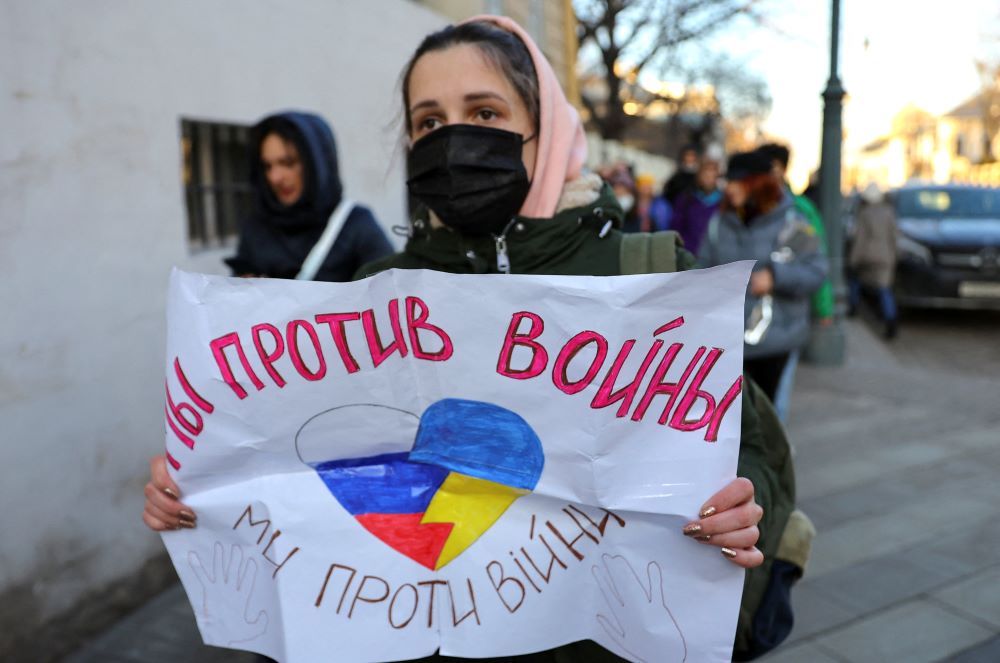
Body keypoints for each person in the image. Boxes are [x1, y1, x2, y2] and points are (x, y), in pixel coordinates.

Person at [144, 16, 801, 661]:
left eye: (484, 113)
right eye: (429, 121)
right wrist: (202, 486)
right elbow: (296, 470)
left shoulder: (650, 278)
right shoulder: (379, 292)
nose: (454, 139)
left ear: (547, 130)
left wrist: (742, 508)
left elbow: (752, 451)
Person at [698, 151, 828, 402]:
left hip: (777, 340)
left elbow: (817, 271)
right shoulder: (719, 223)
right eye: (727, 181)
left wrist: (776, 277)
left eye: (736, 181)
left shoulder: (794, 221)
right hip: (728, 340)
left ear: (756, 184)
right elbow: (701, 267)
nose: (728, 188)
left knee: (770, 420)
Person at [224, 111, 394, 282]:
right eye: (267, 166)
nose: (275, 177)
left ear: (318, 164)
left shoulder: (356, 225)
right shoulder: (255, 228)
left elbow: (389, 294)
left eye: (288, 163)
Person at [757, 143, 835, 422]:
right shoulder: (743, 210)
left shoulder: (800, 211)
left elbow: (815, 262)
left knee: (776, 402)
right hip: (748, 324)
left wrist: (823, 308)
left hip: (786, 318)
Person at [848, 183, 898, 339]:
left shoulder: (865, 213)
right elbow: (895, 237)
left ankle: (853, 307)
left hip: (867, 256)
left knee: (855, 281)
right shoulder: (889, 212)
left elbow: (860, 239)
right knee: (884, 289)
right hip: (885, 256)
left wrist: (853, 260)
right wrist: (895, 256)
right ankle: (891, 319)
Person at [670, 154, 722, 254]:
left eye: (712, 175)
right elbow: (676, 229)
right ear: (699, 175)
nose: (708, 179)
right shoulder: (686, 200)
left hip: (716, 256)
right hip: (690, 255)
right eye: (705, 174)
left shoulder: (723, 201)